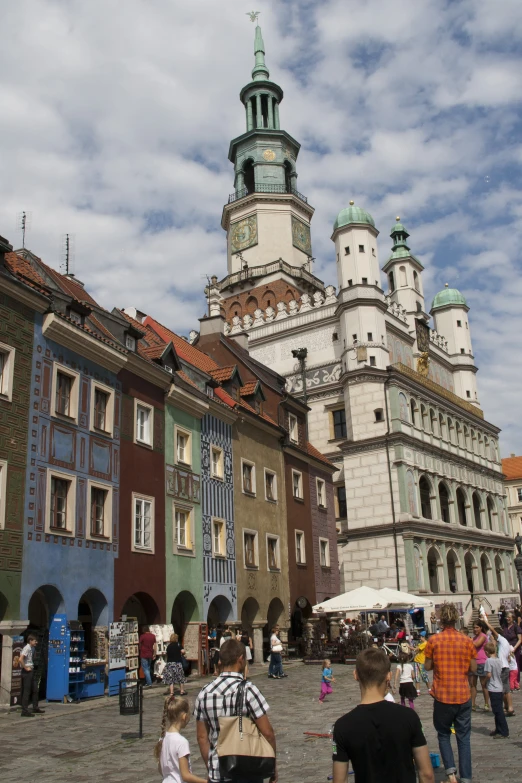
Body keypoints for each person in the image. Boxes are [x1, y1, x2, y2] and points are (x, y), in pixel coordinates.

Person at [332, 648, 434, 783]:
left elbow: (339, 780)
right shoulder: (409, 717)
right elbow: (426, 774)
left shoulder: (342, 726)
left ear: (355, 675)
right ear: (389, 676)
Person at [194, 639, 277, 783]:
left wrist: (211, 768)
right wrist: (272, 766)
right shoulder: (248, 690)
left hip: (218, 770)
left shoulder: (204, 693)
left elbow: (202, 737)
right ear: (240, 659)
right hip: (247, 770)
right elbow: (268, 732)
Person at [424, 602, 477, 783]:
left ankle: (451, 773)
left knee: (444, 734)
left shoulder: (434, 641)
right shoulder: (467, 641)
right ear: (456, 619)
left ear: (440, 621)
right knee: (464, 738)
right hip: (462, 694)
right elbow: (473, 667)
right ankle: (467, 777)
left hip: (443, 695)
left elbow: (427, 666)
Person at [155, 695, 207, 783]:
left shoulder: (162, 738)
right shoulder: (181, 742)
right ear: (184, 716)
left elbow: (161, 769)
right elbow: (185, 775)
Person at [483, 619, 515, 717]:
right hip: (504, 666)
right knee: (505, 689)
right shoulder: (503, 643)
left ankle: (509, 707)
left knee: (505, 689)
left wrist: (485, 620)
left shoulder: (502, 639)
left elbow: (492, 630)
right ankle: (507, 706)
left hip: (503, 668)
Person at [483, 642, 509, 739]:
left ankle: (504, 731)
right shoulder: (498, 660)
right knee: (496, 710)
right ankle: (498, 729)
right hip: (499, 687)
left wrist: (484, 682)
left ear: (486, 652)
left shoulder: (489, 661)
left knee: (498, 711)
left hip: (493, 687)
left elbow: (489, 674)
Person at [20, 634, 45, 717]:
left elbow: (32, 658)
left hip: (31, 669)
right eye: (35, 641)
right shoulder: (26, 648)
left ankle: (35, 707)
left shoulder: (32, 648)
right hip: (27, 671)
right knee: (26, 691)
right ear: (30, 641)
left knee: (35, 689)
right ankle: (24, 710)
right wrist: (26, 667)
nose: (36, 642)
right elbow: (21, 659)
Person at [470, 620, 490, 712]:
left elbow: (477, 644)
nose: (475, 629)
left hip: (482, 662)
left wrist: (467, 640)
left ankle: (486, 703)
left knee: (483, 684)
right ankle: (472, 704)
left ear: (481, 628)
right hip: (474, 662)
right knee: (473, 684)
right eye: (474, 627)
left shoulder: (483, 636)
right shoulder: (474, 637)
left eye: (477, 627)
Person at [163, 633, 187, 697]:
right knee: (180, 677)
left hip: (169, 664)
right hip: (177, 663)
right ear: (176, 638)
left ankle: (171, 692)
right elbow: (183, 651)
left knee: (171, 678)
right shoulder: (178, 645)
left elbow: (167, 653)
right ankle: (182, 691)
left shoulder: (169, 646)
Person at [502, 612, 522, 686]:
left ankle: (516, 682)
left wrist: (514, 648)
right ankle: (510, 682)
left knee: (515, 665)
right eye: (507, 617)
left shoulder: (516, 627)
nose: (507, 618)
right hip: (506, 648)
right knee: (508, 665)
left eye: (509, 617)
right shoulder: (504, 626)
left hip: (515, 648)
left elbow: (520, 639)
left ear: (513, 618)